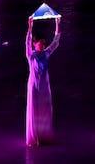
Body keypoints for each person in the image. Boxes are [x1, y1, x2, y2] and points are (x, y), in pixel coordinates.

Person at [26, 16, 61, 146]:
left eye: (44, 43)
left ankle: (44, 135)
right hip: (34, 86)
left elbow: (56, 42)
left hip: (45, 86)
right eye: (40, 42)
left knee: (45, 109)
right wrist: (30, 27)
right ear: (35, 43)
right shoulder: (31, 55)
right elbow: (27, 42)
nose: (43, 44)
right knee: (35, 110)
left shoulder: (46, 53)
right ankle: (35, 137)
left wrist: (57, 24)